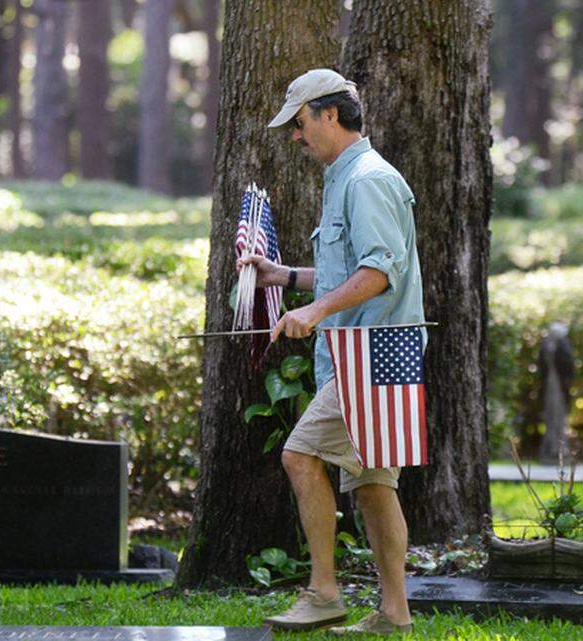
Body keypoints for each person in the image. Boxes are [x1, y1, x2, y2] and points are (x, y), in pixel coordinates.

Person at [240, 68, 423, 635]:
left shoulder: (365, 179)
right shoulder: (349, 176)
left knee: (299, 455)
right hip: (369, 356)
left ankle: (323, 592)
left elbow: (378, 272)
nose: (296, 136)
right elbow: (349, 270)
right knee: (372, 486)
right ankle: (395, 614)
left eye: (299, 123)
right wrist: (287, 278)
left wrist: (314, 313)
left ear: (329, 114)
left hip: (369, 356)